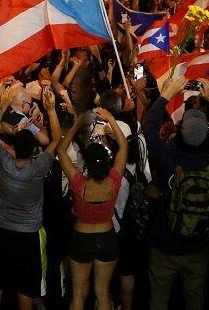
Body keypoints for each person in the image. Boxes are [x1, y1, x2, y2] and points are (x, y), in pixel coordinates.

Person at [144, 76, 209, 310]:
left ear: (179, 132)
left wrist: (166, 94)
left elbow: (149, 127)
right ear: (207, 136)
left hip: (164, 244)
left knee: (158, 300)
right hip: (199, 246)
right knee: (195, 299)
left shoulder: (168, 159)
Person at [0, 79, 61, 310]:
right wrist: (51, 110)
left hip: (2, 231)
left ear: (13, 147)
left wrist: (2, 105)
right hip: (29, 236)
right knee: (26, 287)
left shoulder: (5, 163)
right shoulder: (39, 167)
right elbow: (54, 140)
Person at [59, 108, 128, 310]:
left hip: (81, 238)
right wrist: (111, 119)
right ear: (108, 163)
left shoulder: (78, 182)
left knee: (78, 294)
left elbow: (61, 150)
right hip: (107, 238)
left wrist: (77, 124)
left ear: (86, 164)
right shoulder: (114, 181)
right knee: (103, 293)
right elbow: (123, 146)